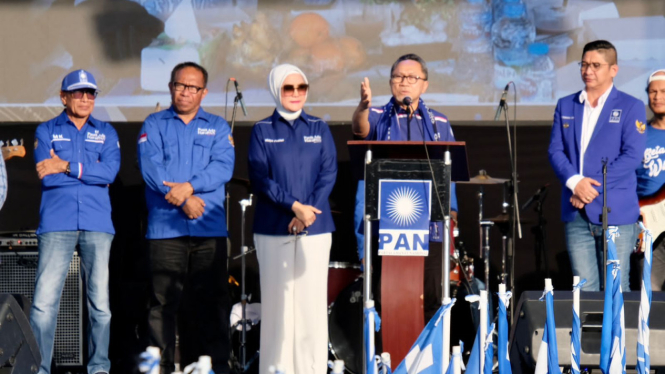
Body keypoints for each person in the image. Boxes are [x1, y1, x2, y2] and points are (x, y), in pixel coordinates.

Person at [137, 62, 235, 374]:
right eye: (180, 85)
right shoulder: (153, 123)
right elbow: (151, 168)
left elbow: (223, 166)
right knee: (162, 305)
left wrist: (190, 188)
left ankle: (213, 367)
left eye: (193, 87)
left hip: (209, 229)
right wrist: (184, 200)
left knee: (211, 304)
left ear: (204, 92)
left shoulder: (219, 127)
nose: (185, 92)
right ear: (170, 87)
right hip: (166, 229)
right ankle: (160, 369)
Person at [351, 53, 462, 322]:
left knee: (431, 300)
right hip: (387, 225)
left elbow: (450, 174)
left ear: (424, 85)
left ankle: (428, 361)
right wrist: (363, 106)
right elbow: (360, 128)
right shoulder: (378, 117)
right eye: (398, 77)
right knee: (388, 300)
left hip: (431, 228)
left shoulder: (439, 123)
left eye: (412, 77)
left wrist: (452, 213)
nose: (404, 82)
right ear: (390, 83)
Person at [248, 64, 337, 374]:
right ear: (276, 90)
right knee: (278, 305)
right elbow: (260, 178)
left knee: (312, 305)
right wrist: (294, 207)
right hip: (273, 229)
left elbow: (328, 174)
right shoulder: (261, 130)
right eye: (289, 88)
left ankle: (312, 369)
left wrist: (306, 211)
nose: (296, 94)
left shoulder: (319, 127)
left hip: (315, 228)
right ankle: (276, 368)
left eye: (302, 87)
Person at [31, 69, 120, 374]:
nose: (85, 98)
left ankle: (99, 369)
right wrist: (87, 171)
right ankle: (40, 369)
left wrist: (65, 165)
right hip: (57, 222)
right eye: (78, 92)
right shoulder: (45, 130)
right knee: (44, 305)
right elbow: (48, 176)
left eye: (91, 93)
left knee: (101, 307)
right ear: (63, 97)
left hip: (97, 224)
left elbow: (109, 174)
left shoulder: (107, 132)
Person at [548, 40, 647, 292]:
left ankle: (616, 334)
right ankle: (588, 334)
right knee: (584, 288)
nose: (587, 71)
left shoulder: (630, 106)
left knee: (615, 286)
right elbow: (556, 151)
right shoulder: (566, 104)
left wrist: (588, 187)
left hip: (615, 212)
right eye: (583, 64)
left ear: (613, 69)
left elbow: (632, 155)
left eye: (595, 65)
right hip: (576, 213)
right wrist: (575, 183)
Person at [636, 69, 665, 291]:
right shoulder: (640, 134)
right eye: (652, 92)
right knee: (651, 293)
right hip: (650, 224)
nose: (657, 97)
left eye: (663, 91)